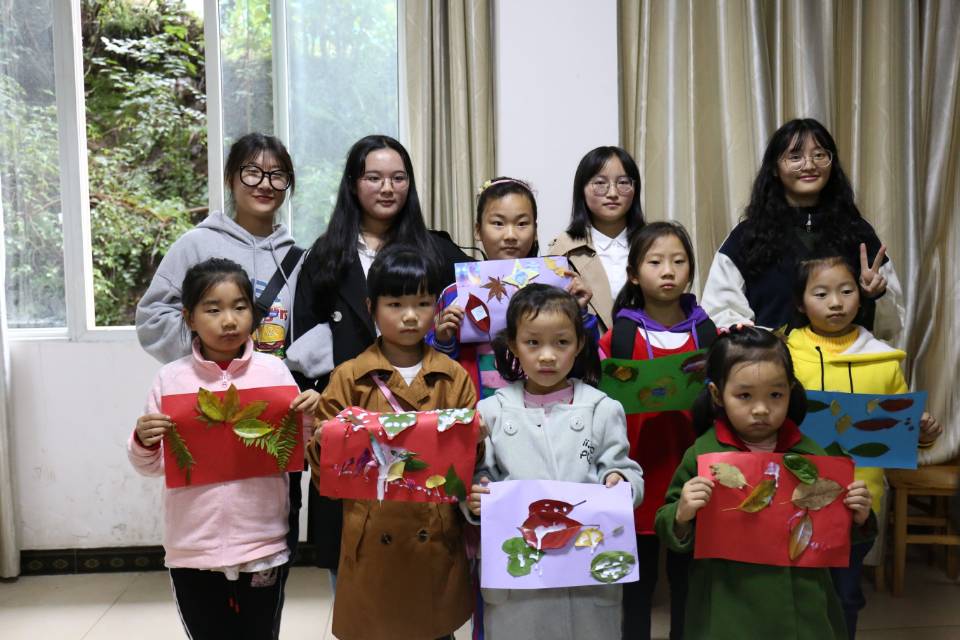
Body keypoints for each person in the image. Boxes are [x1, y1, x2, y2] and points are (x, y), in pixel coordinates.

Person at [288, 134, 471, 573]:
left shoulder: (439, 251)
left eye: (398, 178)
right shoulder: (324, 255)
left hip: (427, 415)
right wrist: (315, 401)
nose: (387, 188)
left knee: (430, 558)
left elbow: (495, 304)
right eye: (374, 177)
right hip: (350, 415)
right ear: (353, 184)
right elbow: (300, 345)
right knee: (354, 563)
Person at [128, 258, 318, 639]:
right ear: (189, 317)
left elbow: (300, 450)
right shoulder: (171, 379)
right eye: (213, 310)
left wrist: (312, 414)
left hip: (262, 546)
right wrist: (143, 440)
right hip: (193, 550)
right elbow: (152, 465)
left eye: (240, 307)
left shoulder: (274, 372)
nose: (229, 321)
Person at [654, 326, 876, 640]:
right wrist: (681, 513)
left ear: (790, 391)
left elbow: (833, 536)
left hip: (802, 604)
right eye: (744, 396)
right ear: (717, 394)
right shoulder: (703, 454)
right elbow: (667, 524)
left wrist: (859, 516)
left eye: (775, 395)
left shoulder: (811, 455)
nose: (761, 409)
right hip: (727, 602)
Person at [304, 245, 476, 640]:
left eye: (422, 303)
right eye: (395, 304)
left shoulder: (453, 377)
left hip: (433, 533)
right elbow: (324, 475)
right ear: (372, 308)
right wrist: (325, 442)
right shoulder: (349, 377)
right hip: (372, 534)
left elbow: (466, 470)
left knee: (434, 630)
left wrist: (475, 439)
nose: (410, 316)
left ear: (436, 307)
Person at [467, 284, 644, 640]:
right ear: (513, 344)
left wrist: (619, 481)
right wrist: (476, 498)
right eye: (533, 343)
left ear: (579, 344)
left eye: (561, 342)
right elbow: (478, 477)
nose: (547, 356)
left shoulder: (602, 408)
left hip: (586, 577)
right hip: (519, 585)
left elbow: (624, 469)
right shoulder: (491, 412)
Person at [786, 252, 941, 638]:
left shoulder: (884, 360)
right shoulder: (783, 354)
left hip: (857, 504)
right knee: (796, 596)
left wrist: (923, 432)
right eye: (821, 294)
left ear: (862, 295)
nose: (836, 303)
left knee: (846, 596)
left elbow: (901, 435)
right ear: (800, 303)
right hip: (793, 498)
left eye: (846, 291)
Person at [597, 221, 715, 640]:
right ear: (633, 274)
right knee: (636, 584)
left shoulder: (708, 333)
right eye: (655, 262)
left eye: (679, 262)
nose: (668, 271)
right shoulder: (619, 336)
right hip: (637, 471)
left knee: (688, 580)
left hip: (692, 472)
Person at [701, 118, 904, 343]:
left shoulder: (858, 232)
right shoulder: (747, 237)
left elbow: (891, 327)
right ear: (775, 169)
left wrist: (875, 295)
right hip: (773, 362)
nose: (809, 165)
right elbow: (720, 312)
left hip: (846, 360)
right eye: (795, 157)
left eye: (819, 155)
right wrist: (766, 346)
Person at [136, 132, 303, 363]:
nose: (265, 184)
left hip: (274, 383)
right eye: (252, 172)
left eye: (277, 175)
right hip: (208, 383)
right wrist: (210, 353)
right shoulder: (196, 245)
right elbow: (151, 319)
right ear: (229, 179)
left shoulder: (297, 260)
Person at [428, 176, 596, 400]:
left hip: (547, 406)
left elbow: (585, 358)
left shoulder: (557, 287)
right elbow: (432, 368)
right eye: (498, 223)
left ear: (535, 230)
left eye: (522, 224)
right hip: (478, 406)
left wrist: (580, 313)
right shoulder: (455, 294)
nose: (510, 235)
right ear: (478, 230)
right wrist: (443, 340)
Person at [548, 146, 646, 332]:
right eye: (600, 183)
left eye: (623, 182)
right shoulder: (562, 250)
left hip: (649, 347)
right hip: (589, 347)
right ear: (582, 190)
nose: (612, 193)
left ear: (635, 189)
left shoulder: (654, 243)